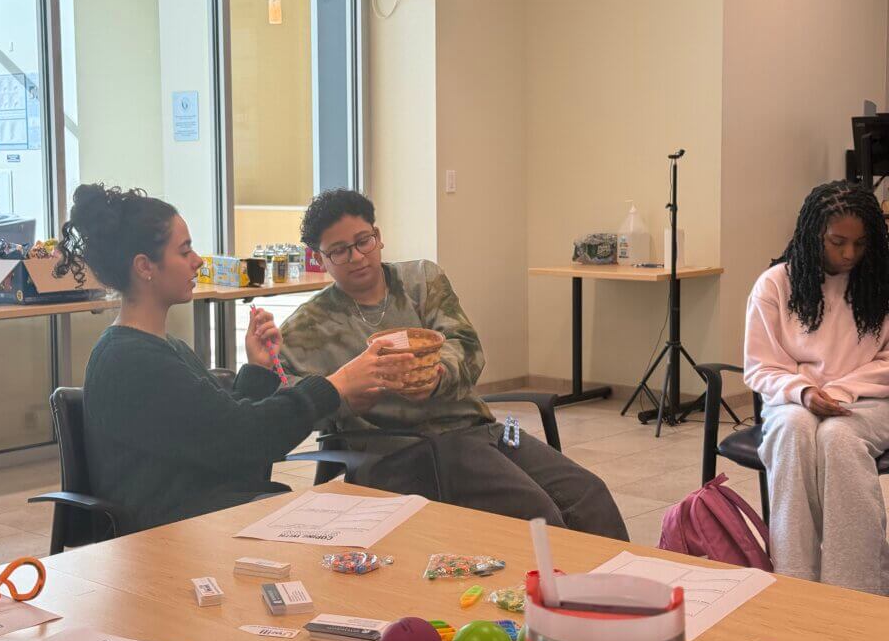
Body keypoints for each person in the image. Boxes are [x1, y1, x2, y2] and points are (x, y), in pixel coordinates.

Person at [56, 184, 412, 535]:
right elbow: (243, 440)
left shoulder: (162, 349)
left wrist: (257, 369)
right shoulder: (131, 362)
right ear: (145, 266)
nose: (196, 261)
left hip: (206, 520)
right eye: (184, 251)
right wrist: (336, 385)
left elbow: (232, 438)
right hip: (171, 539)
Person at [279, 189, 628, 540]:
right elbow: (284, 401)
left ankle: (621, 588)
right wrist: (345, 397)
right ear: (319, 258)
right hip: (403, 448)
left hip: (478, 427)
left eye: (363, 241)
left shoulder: (420, 280)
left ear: (379, 237)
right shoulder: (308, 327)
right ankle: (557, 591)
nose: (356, 256)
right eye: (339, 251)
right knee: (538, 515)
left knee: (588, 495)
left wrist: (436, 374)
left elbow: (466, 345)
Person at [744, 180, 889, 595]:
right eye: (837, 242)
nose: (848, 254)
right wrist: (804, 392)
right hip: (794, 400)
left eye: (860, 244)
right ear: (813, 235)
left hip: (870, 400)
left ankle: (857, 590)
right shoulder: (775, 285)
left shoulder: (881, 285)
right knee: (793, 430)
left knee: (839, 439)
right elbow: (761, 365)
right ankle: (795, 585)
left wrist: (842, 392)